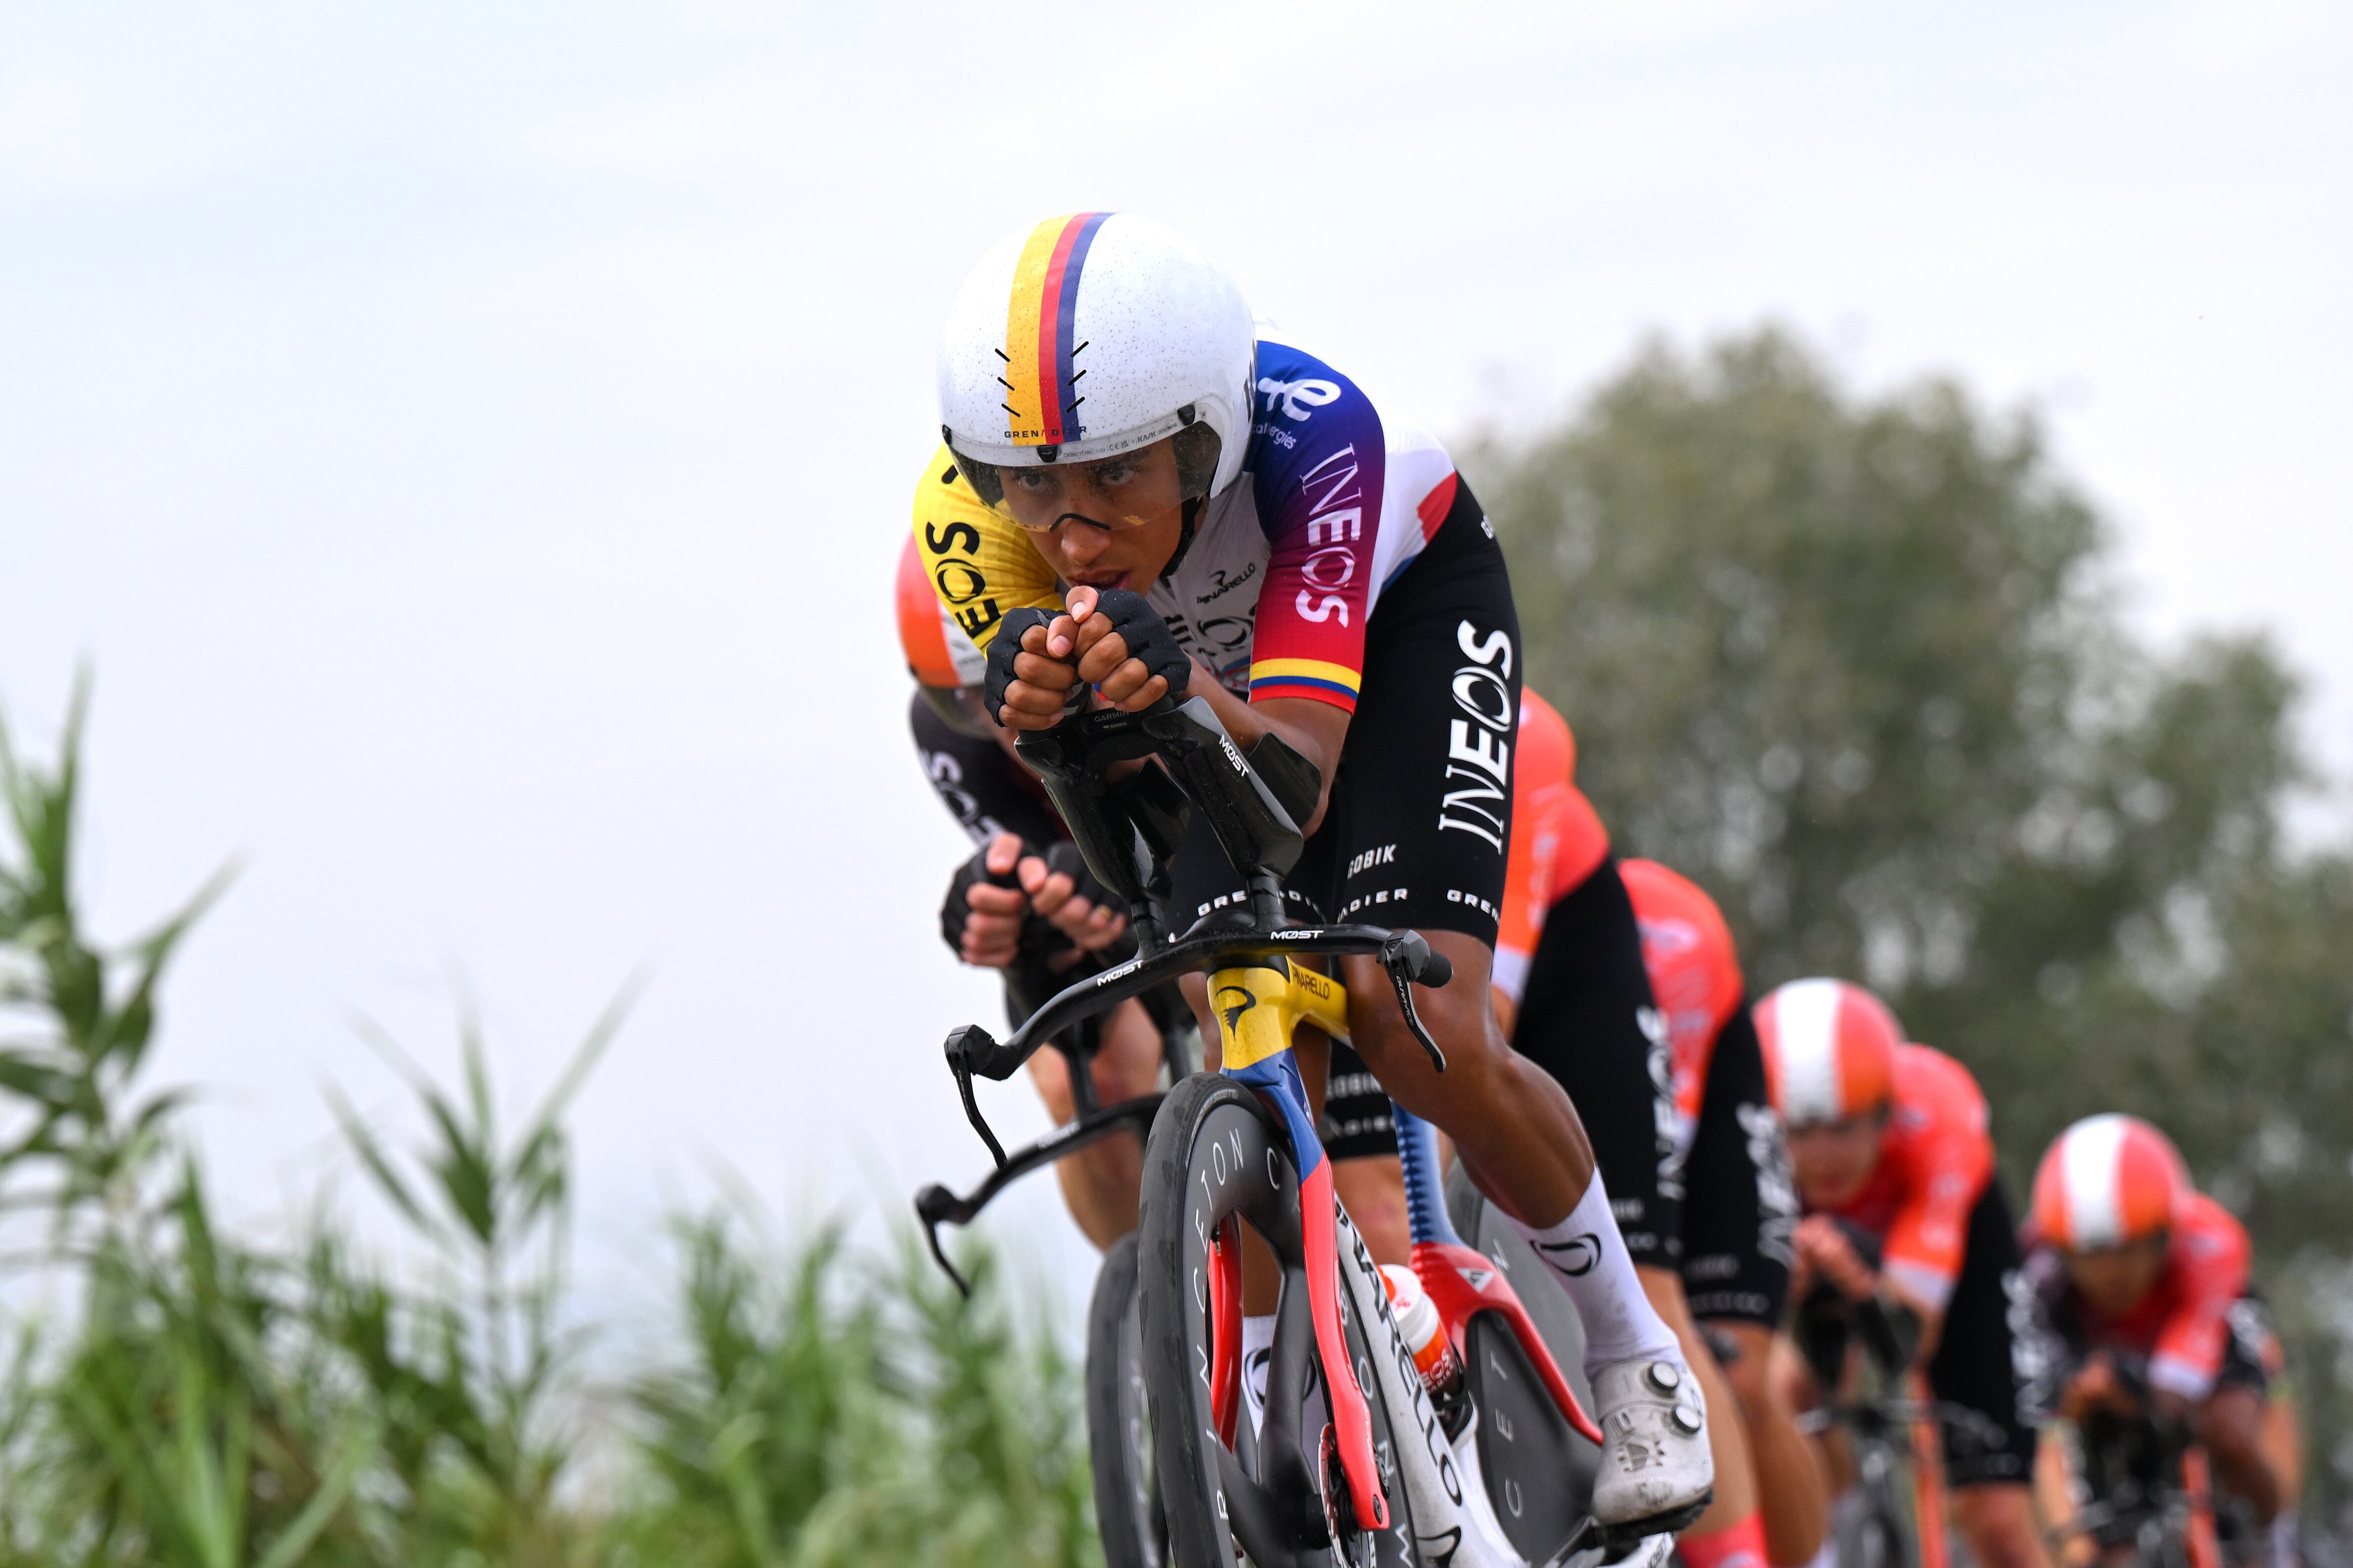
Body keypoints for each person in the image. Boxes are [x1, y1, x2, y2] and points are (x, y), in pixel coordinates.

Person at [914, 210, 1710, 1526]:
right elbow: (1119, 857)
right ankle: (1287, 1393)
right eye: (1031, 485)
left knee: (1411, 1020)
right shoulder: (964, 517)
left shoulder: (1314, 445)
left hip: (1387, 641)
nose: (1066, 530)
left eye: (1114, 478)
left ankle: (1631, 1356)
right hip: (1210, 697)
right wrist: (1056, 738)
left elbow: (1292, 792)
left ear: (1196, 442)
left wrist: (1175, 689)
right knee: (1223, 1000)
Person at [899, 531, 1416, 1259]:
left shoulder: (1142, 659)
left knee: (1374, 1215)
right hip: (1126, 901)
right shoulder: (950, 742)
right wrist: (1002, 912)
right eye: (966, 705)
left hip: (1239, 852)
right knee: (1083, 1074)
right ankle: (1168, 1295)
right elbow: (1028, 867)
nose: (997, 724)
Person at [1492, 691, 1825, 1568]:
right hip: (1486, 993)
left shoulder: (1670, 933)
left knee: (1675, 1310)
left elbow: (1645, 1144)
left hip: (1675, 1061)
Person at [1757, 978, 2048, 1568]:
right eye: (1799, 1133)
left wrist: (1860, 1275)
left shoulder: (1940, 1119)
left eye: (1843, 1128)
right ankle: (1831, 1533)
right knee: (1783, 1396)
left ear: (1886, 1113)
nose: (1820, 1156)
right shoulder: (1747, 1145)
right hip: (1829, 1259)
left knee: (1996, 1522)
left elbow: (1911, 1339)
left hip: (1959, 1269)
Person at [2022, 1114, 2300, 1565]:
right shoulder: (2036, 1271)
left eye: (2130, 1250)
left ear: (2166, 1235)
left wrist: (2128, 1386)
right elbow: (2042, 1403)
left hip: (2202, 1350)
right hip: (2110, 1369)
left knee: (2225, 1431)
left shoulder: (2212, 1244)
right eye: (2090, 1257)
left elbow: (2179, 1387)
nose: (2111, 1273)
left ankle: (2271, 1543)